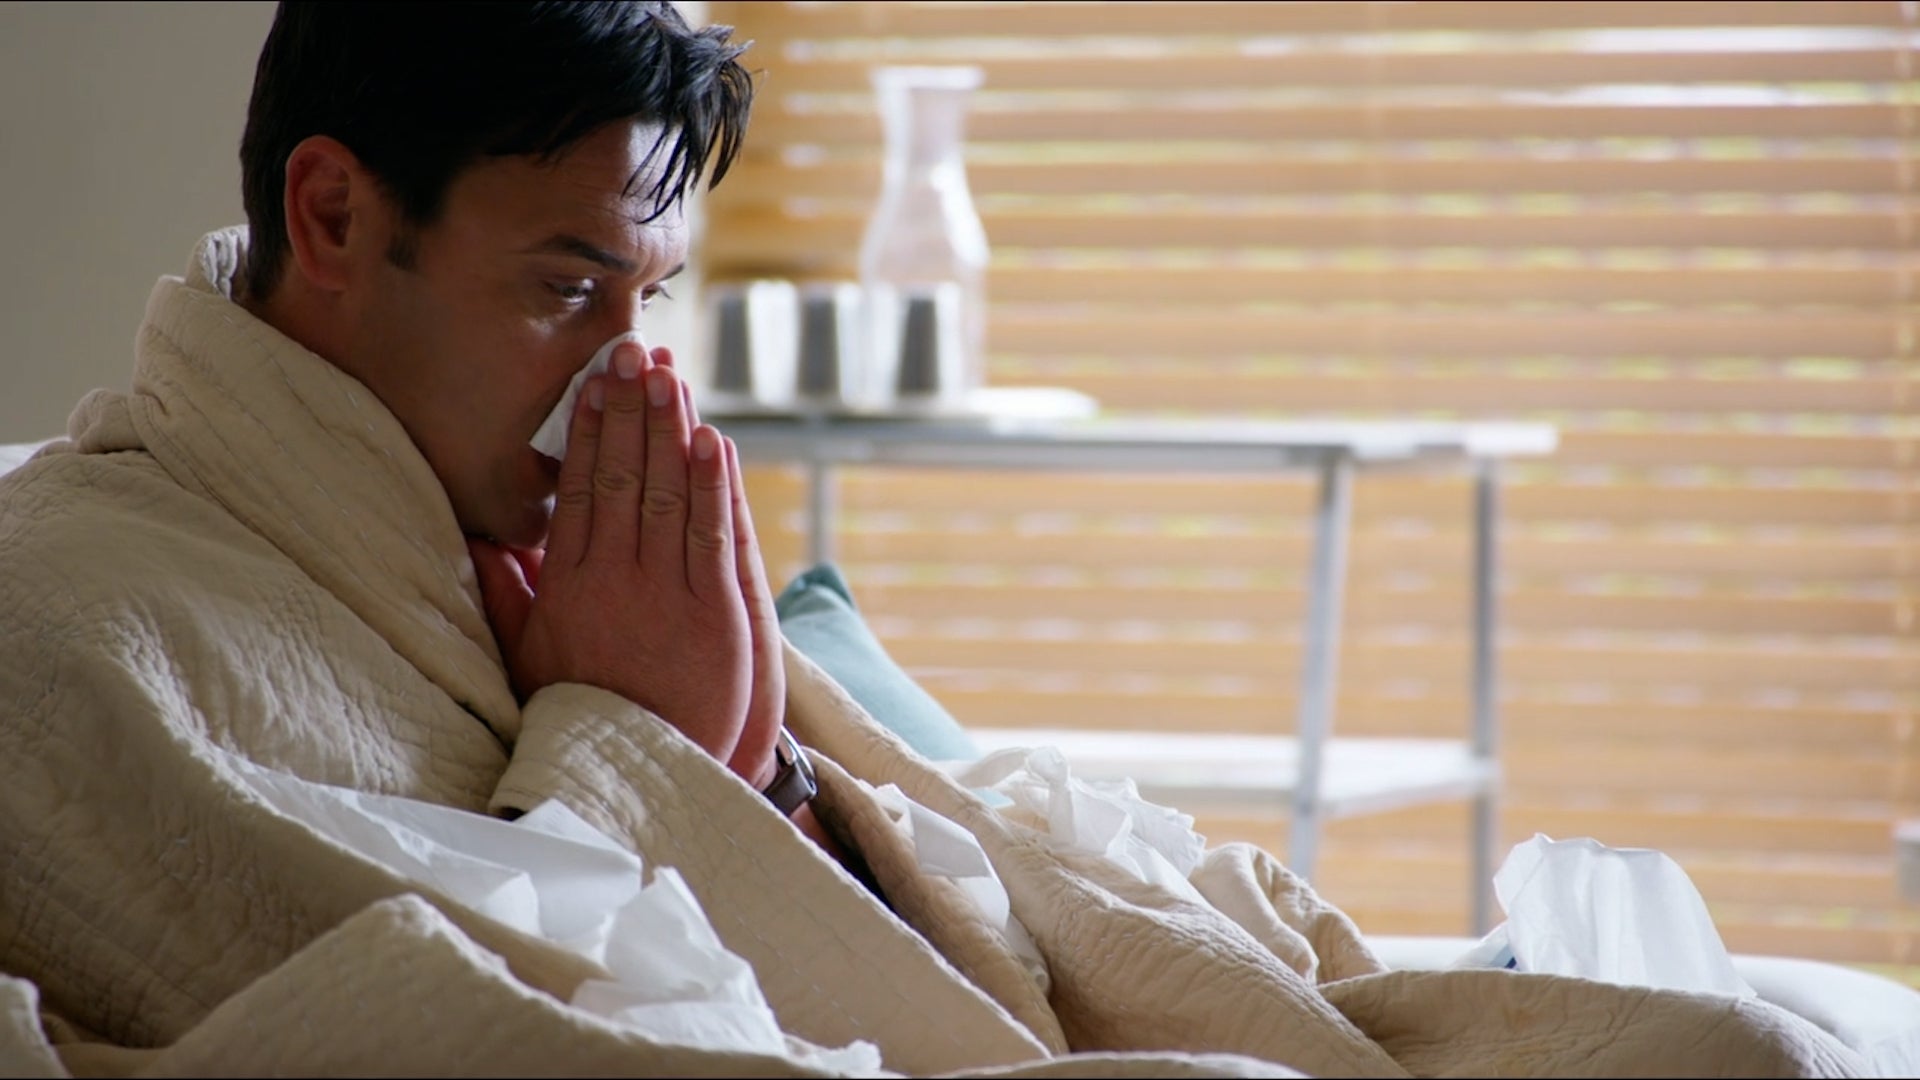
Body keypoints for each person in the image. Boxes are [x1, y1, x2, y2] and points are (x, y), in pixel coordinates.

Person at [0, 4, 1871, 1077]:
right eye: (566, 289)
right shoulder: (71, 621)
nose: (622, 382)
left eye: (651, 301)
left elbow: (918, 873)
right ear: (335, 216)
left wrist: (746, 766)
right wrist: (644, 756)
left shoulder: (524, 531)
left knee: (1736, 1052)